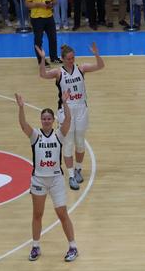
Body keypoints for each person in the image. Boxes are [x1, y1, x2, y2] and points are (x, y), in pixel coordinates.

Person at [15, 92, 78, 262]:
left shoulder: (59, 134)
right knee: (37, 214)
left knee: (62, 213)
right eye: (44, 118)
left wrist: (65, 103)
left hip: (56, 179)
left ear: (53, 120)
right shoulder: (36, 135)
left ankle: (73, 246)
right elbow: (23, 125)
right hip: (39, 180)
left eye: (49, 118)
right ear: (41, 120)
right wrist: (21, 107)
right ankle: (35, 246)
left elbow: (68, 121)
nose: (46, 121)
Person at [36, 43, 104, 191]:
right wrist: (42, 59)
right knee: (68, 144)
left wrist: (96, 54)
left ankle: (78, 169)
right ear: (63, 59)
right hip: (65, 111)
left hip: (81, 109)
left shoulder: (81, 68)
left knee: (80, 142)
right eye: (69, 59)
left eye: (73, 58)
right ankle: (71, 175)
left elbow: (100, 66)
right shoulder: (58, 72)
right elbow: (42, 75)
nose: (71, 61)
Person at [26, 0, 59, 64]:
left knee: (53, 38)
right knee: (38, 40)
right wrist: (39, 4)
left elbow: (55, 0)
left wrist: (52, 3)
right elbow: (27, 4)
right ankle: (41, 60)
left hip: (49, 16)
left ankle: (54, 57)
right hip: (37, 18)